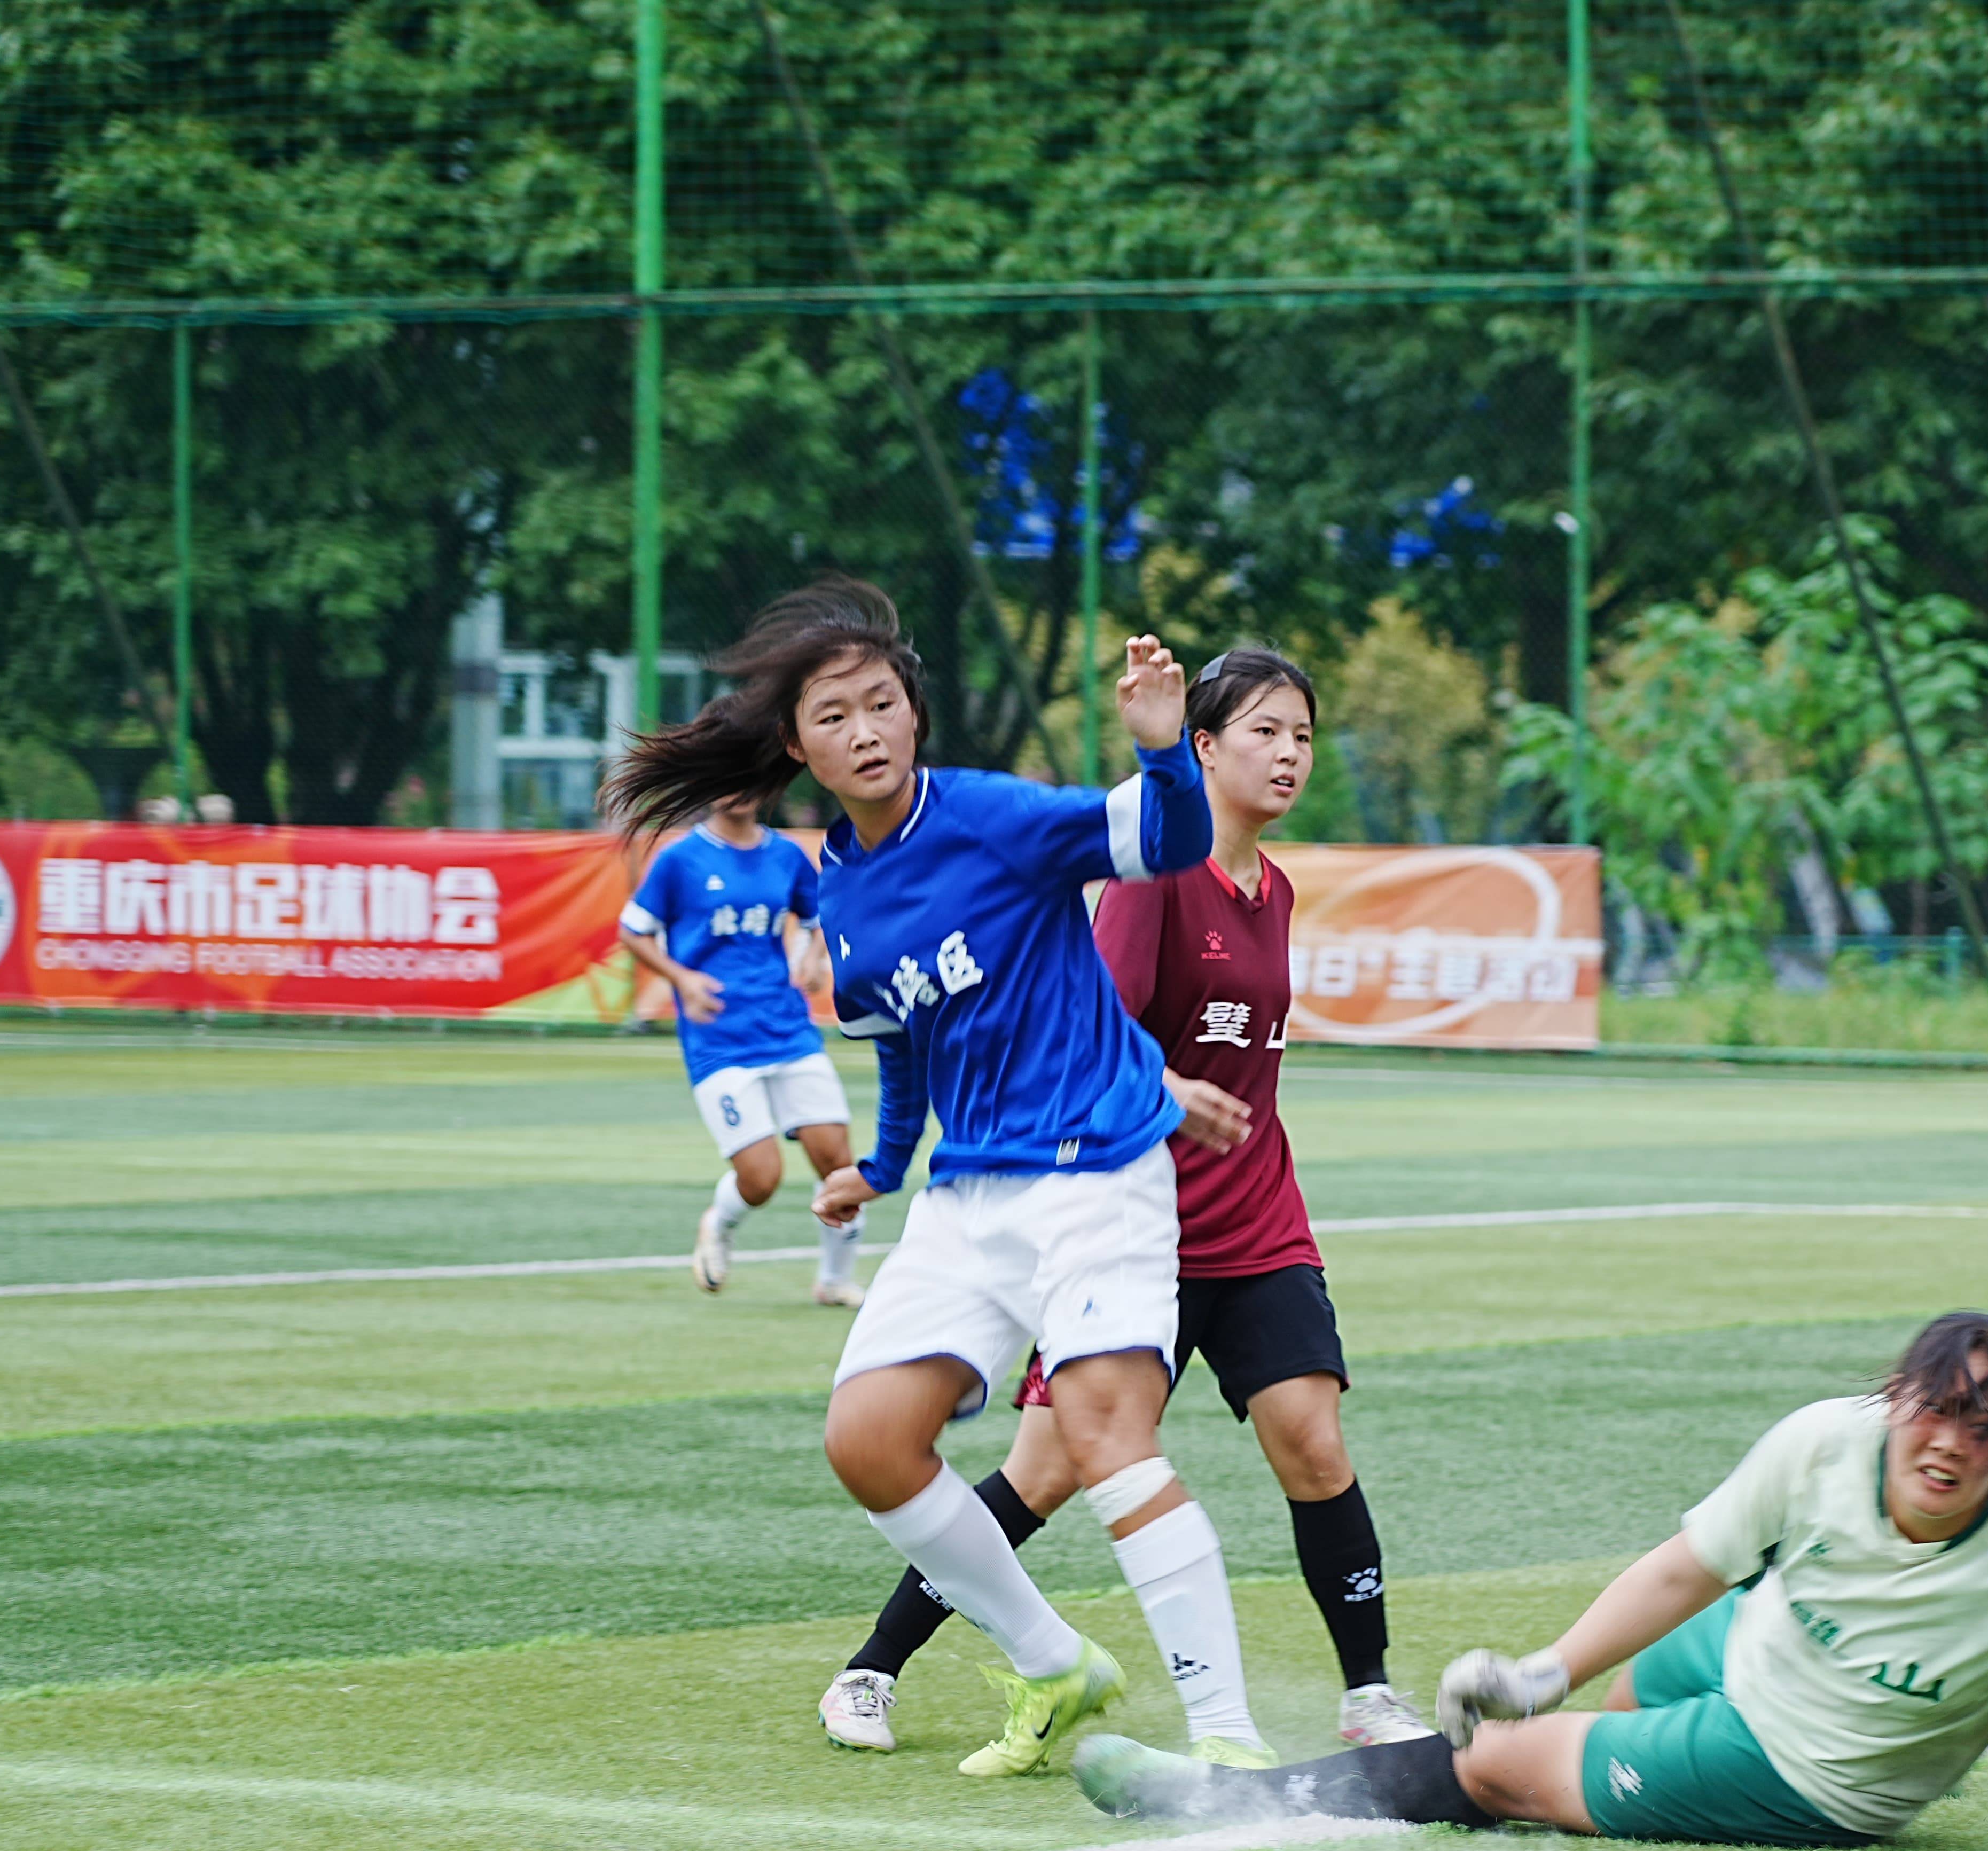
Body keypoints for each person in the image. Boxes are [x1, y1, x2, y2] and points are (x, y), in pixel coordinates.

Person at [602, 576, 1279, 1779]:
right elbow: (902, 1047)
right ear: (796, 746)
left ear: (914, 711)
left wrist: (1162, 746)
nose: (864, 731)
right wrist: (877, 1165)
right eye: (832, 716)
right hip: (966, 1196)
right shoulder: (840, 888)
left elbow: (1167, 840)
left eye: (881, 703)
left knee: (1105, 1433)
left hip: (1095, 1171)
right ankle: (1054, 1659)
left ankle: (1228, 1737)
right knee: (868, 1439)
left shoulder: (992, 815)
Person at [1071, 1311, 1988, 1851]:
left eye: (1986, 1429)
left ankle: (1229, 1797)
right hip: (1764, 1639)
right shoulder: (1826, 1440)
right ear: (1900, 1397)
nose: (1952, 1444)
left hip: (1811, 1765)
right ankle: (1580, 1769)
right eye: (1939, 1410)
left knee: (1498, 1763)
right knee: (1594, 1706)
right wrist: (1547, 1669)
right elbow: (1688, 1569)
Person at [820, 648, 1425, 1756]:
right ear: (1203, 747)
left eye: (1301, 734)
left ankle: (1369, 1695)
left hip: (1255, 1224)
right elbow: (1086, 1014)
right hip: (1118, 1213)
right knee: (1045, 1470)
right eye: (1264, 732)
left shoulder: (1275, 890)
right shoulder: (1155, 885)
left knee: (1313, 1442)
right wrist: (1158, 1086)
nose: (1289, 754)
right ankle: (876, 1662)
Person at [614, 780, 865, 1305]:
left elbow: (821, 915)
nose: (741, 789)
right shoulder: (680, 860)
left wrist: (814, 956)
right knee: (761, 1177)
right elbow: (633, 930)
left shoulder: (785, 855)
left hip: (788, 1030)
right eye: (728, 776)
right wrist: (683, 980)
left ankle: (835, 1280)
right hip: (719, 1040)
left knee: (838, 1162)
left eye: (751, 776)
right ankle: (719, 1224)